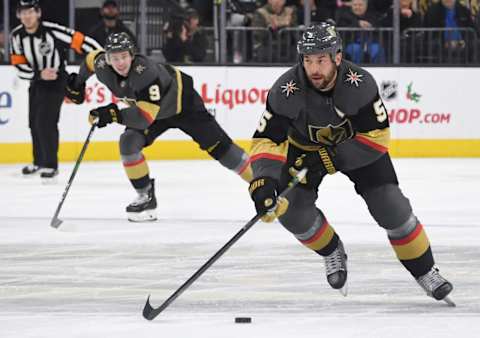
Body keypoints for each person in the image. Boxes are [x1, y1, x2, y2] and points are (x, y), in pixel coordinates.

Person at [247, 22, 454, 303]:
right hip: (303, 150)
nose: (314, 69)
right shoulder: (286, 89)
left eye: (321, 59)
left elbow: (377, 138)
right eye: (308, 60)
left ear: (337, 57)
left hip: (357, 149)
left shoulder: (359, 83)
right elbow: (266, 139)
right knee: (291, 213)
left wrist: (331, 157)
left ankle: (425, 271)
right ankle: (331, 250)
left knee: (391, 207)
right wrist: (264, 180)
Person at [65, 32, 252, 222]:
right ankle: (145, 196)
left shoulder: (144, 71)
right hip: (151, 110)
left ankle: (265, 184)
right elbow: (89, 60)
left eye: (124, 57)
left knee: (222, 149)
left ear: (132, 55)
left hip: (182, 105)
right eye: (115, 58)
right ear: (107, 59)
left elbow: (144, 118)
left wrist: (113, 115)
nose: (120, 63)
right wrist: (78, 83)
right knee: (128, 143)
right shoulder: (102, 65)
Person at [10, 0, 101, 179]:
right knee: (34, 123)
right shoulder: (16, 36)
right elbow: (19, 66)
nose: (27, 16)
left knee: (46, 122)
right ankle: (38, 162)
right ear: (18, 15)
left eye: (30, 11)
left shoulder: (53, 30)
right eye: (23, 12)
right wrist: (39, 74)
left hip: (57, 81)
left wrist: (100, 56)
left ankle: (51, 165)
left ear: (38, 13)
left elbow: (81, 41)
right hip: (36, 82)